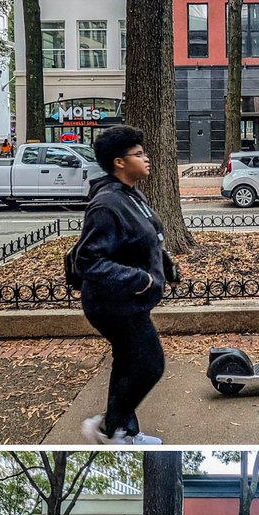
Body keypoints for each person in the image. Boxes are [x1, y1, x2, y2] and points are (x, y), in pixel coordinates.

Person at [76, 124, 179, 446]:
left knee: (127, 363)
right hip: (112, 304)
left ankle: (124, 432)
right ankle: (108, 428)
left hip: (129, 300)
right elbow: (87, 260)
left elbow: (145, 235)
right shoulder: (107, 205)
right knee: (150, 365)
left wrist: (163, 265)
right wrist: (141, 278)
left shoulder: (131, 194)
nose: (146, 158)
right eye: (138, 154)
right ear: (119, 162)